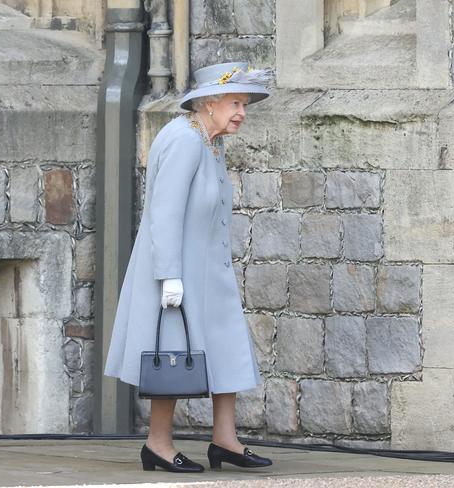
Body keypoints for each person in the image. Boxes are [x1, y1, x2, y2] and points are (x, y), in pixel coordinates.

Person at [104, 62, 274, 473]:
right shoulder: (183, 139)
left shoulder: (211, 142)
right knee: (174, 356)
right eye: (236, 102)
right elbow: (163, 213)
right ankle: (158, 445)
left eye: (245, 104)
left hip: (208, 271)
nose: (242, 112)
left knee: (227, 346)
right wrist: (169, 277)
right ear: (209, 103)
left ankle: (225, 439)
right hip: (176, 271)